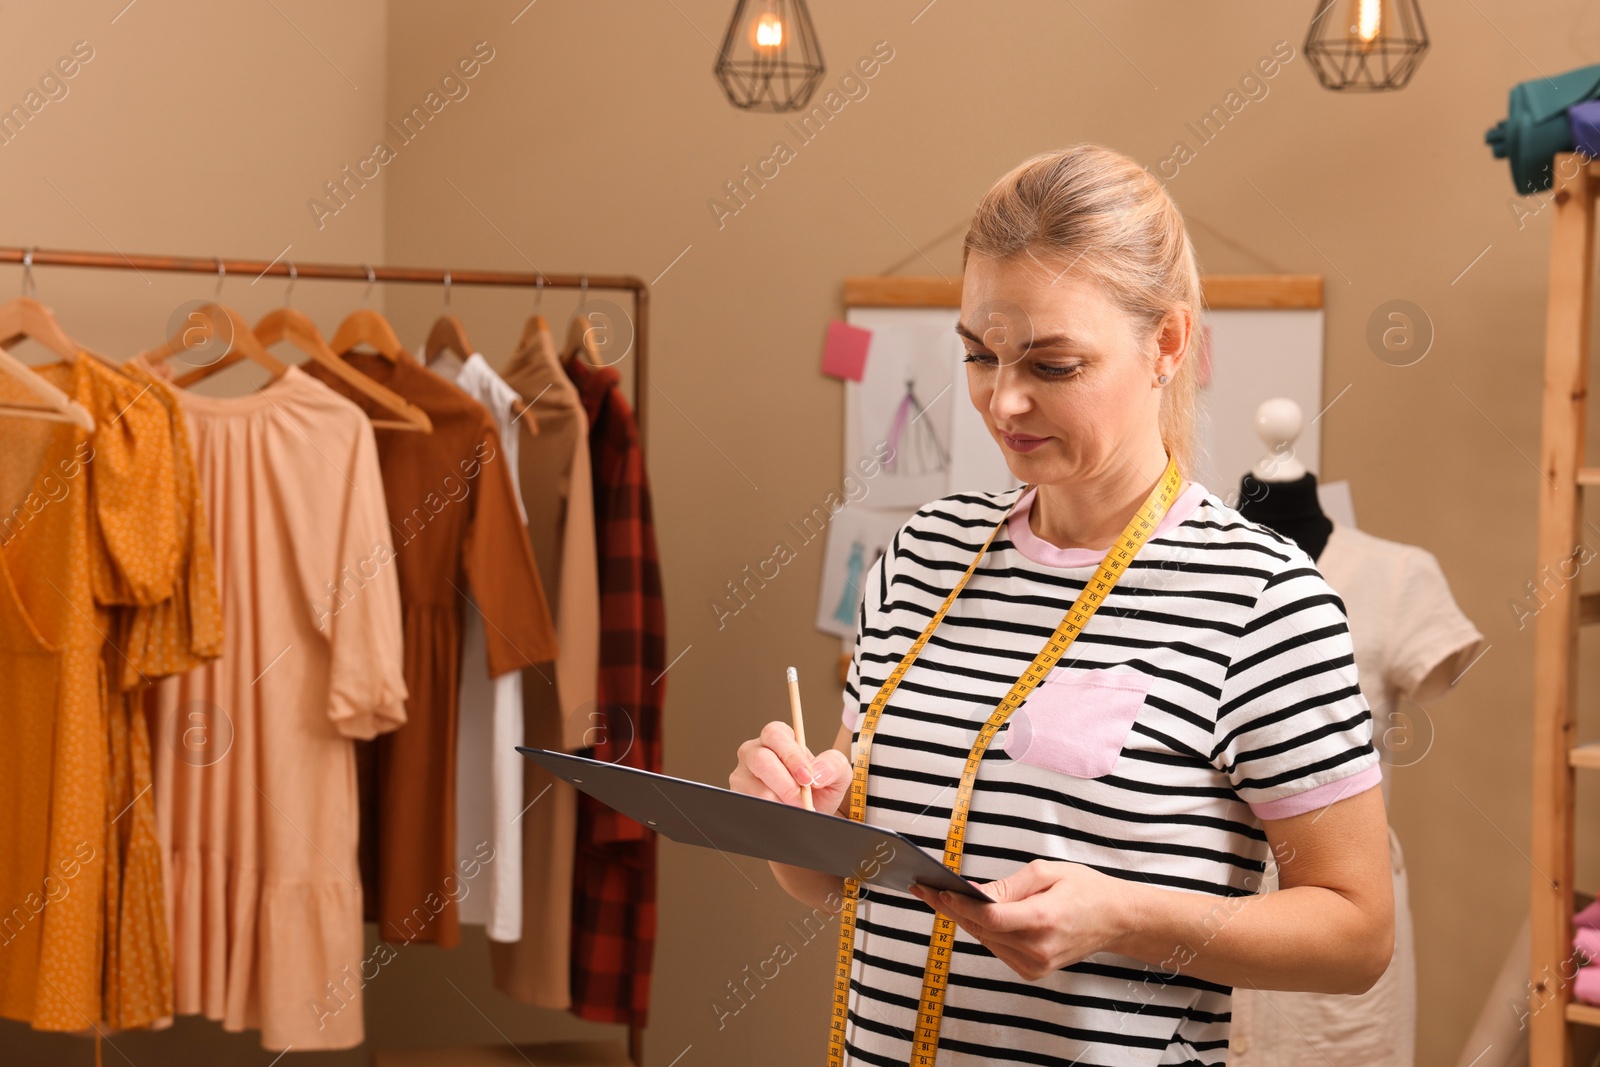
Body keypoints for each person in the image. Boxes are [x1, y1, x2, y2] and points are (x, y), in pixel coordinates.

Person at [728, 143, 1394, 1065]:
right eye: (978, 353)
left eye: (1054, 363)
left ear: (1167, 343)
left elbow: (1357, 935)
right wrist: (793, 816)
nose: (1003, 400)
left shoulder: (1264, 602)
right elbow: (836, 878)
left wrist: (1122, 915)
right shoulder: (920, 557)